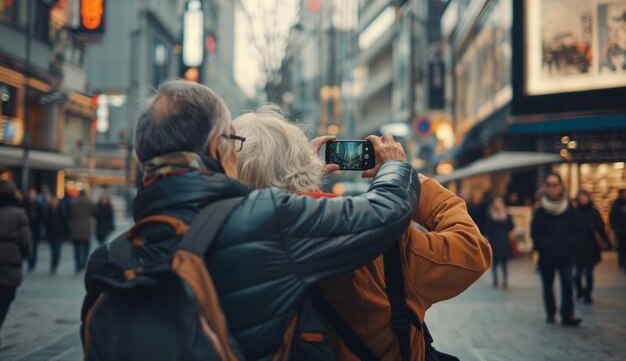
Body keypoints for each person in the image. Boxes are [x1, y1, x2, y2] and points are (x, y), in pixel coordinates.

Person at [81, 80, 421, 361]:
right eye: (232, 140)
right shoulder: (268, 218)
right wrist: (394, 164)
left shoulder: (108, 262)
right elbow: (388, 210)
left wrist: (299, 164)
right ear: (217, 147)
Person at [233, 106, 492, 361]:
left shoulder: (225, 239)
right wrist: (418, 184)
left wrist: (303, 183)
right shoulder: (377, 239)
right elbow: (472, 250)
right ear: (299, 167)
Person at [531, 173, 581, 326]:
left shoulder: (569, 209)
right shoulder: (540, 212)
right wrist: (543, 246)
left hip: (565, 254)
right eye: (549, 185)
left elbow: (576, 229)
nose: (552, 188)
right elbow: (534, 233)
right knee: (548, 286)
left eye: (555, 185)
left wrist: (571, 244)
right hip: (547, 256)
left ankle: (567, 315)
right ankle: (551, 313)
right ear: (545, 187)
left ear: (561, 187)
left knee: (567, 284)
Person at [0, 180, 31, 348]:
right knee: (4, 299)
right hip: (10, 262)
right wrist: (25, 256)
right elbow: (26, 240)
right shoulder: (19, 213)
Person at [574, 190, 610, 304]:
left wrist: (606, 241)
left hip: (591, 247)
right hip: (578, 248)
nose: (583, 199)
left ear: (588, 198)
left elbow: (601, 228)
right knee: (577, 275)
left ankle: (587, 295)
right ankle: (580, 291)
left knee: (589, 273)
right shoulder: (575, 213)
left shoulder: (594, 212)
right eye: (581, 197)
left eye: (584, 197)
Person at [485, 197, 514, 288]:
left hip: (504, 242)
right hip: (494, 242)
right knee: (495, 263)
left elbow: (511, 226)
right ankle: (495, 279)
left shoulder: (507, 215)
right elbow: (487, 229)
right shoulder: (490, 216)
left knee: (504, 263)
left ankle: (505, 280)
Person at [69, 190, 94, 272]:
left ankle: (77, 264)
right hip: (86, 226)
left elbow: (70, 213)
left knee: (77, 248)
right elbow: (94, 212)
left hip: (76, 226)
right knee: (86, 247)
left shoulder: (73, 202)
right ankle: (84, 262)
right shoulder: (89, 202)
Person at [45, 196, 68, 274]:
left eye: (56, 202)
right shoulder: (48, 211)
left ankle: (55, 265)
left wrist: (66, 234)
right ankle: (53, 264)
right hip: (51, 234)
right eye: (53, 202)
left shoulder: (62, 211)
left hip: (59, 234)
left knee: (57, 251)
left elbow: (65, 223)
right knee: (53, 251)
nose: (54, 204)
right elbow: (45, 222)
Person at [610, 188, 626, 271]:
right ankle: (621, 262)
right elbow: (613, 217)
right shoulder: (616, 204)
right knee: (621, 247)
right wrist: (615, 228)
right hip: (620, 231)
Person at [25, 189, 41, 271]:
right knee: (28, 247)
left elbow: (41, 217)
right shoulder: (26, 204)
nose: (32, 196)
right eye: (31, 194)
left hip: (35, 229)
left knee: (34, 247)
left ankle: (33, 262)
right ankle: (29, 261)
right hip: (27, 229)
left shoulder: (38, 205)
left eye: (34, 194)